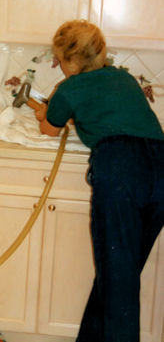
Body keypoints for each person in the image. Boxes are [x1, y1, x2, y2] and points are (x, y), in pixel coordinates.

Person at [35, 19, 164, 342]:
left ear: (70, 61)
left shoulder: (70, 88)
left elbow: (50, 129)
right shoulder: (124, 79)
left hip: (121, 171)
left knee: (118, 279)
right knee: (119, 274)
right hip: (161, 167)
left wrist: (43, 112)